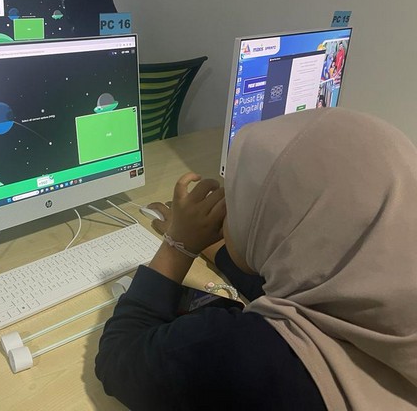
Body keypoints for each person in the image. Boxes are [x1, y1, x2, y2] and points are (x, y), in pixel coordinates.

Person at [95, 108, 417, 410]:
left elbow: (119, 361)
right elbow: (296, 283)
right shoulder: (384, 302)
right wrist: (215, 246)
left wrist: (177, 246)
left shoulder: (254, 353)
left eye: (238, 197)